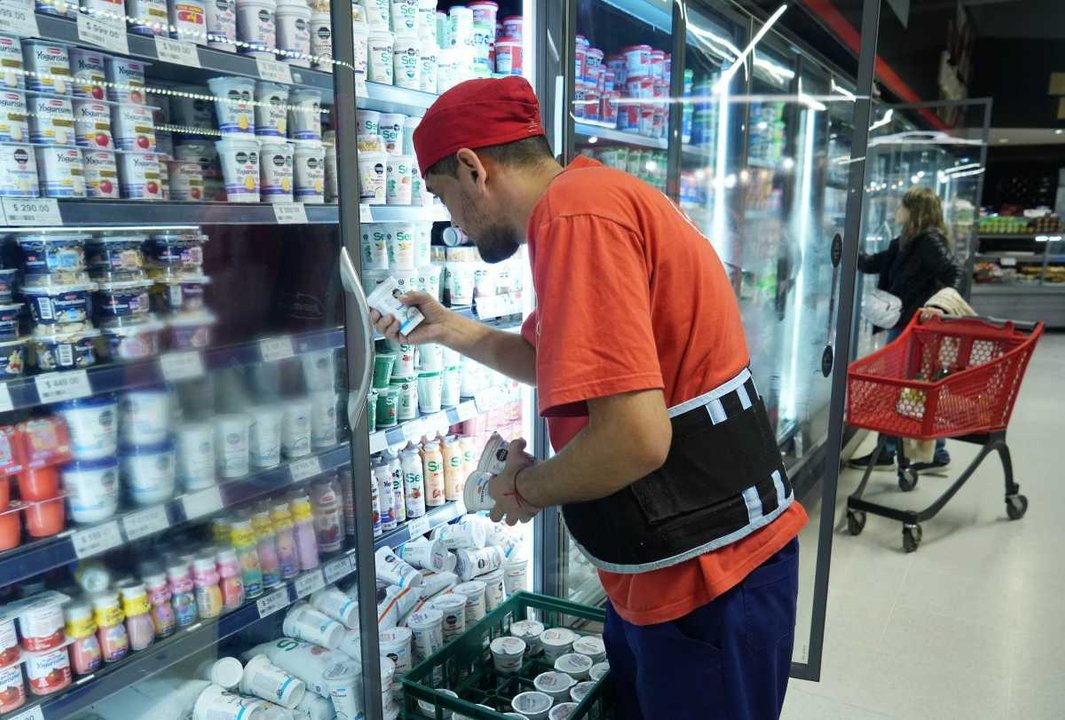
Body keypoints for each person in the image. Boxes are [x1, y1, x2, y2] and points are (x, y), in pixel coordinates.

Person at [371, 77, 807, 720]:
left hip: (708, 580)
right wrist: (449, 328)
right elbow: (558, 362)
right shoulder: (589, 199)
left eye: (444, 197)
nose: (454, 223)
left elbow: (635, 438)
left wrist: (524, 490)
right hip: (674, 564)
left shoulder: (577, 218)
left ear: (472, 168)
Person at [850, 186, 961, 471]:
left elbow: (953, 273)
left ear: (915, 211)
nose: (897, 210)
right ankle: (921, 452)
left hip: (915, 327)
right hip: (904, 324)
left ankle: (898, 452)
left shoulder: (928, 241)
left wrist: (938, 307)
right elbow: (873, 263)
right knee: (907, 388)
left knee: (902, 388)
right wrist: (845, 245)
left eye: (902, 206)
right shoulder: (906, 242)